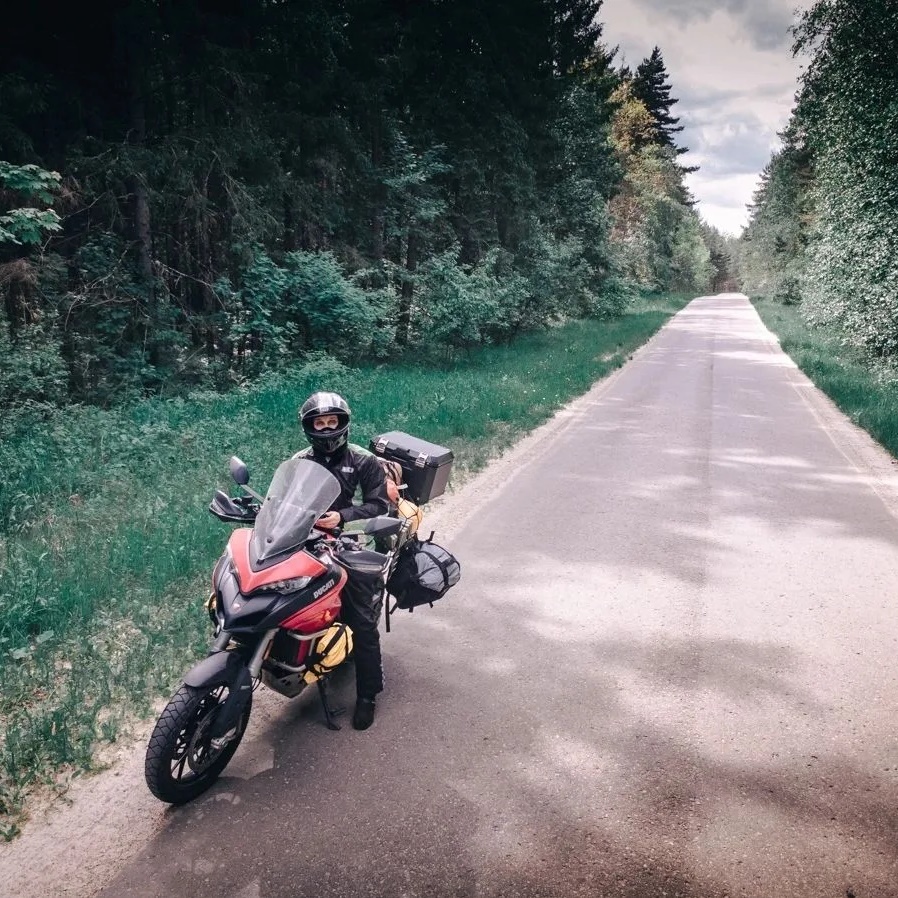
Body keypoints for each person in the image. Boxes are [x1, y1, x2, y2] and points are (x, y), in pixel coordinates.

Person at [294, 391, 390, 730]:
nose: (326, 428)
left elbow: (380, 505)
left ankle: (368, 695)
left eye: (331, 421)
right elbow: (284, 499)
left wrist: (343, 517)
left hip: (350, 542)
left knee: (361, 620)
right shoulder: (300, 460)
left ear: (343, 424)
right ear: (309, 427)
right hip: (305, 538)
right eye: (319, 423)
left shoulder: (363, 460)